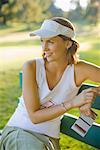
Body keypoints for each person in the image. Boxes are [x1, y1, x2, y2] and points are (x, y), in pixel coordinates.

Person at [0, 17, 100, 150]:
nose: (44, 48)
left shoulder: (79, 70)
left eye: (50, 42)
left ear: (68, 44)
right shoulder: (32, 67)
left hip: (49, 141)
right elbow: (34, 117)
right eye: (42, 41)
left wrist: (92, 94)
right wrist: (72, 103)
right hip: (19, 132)